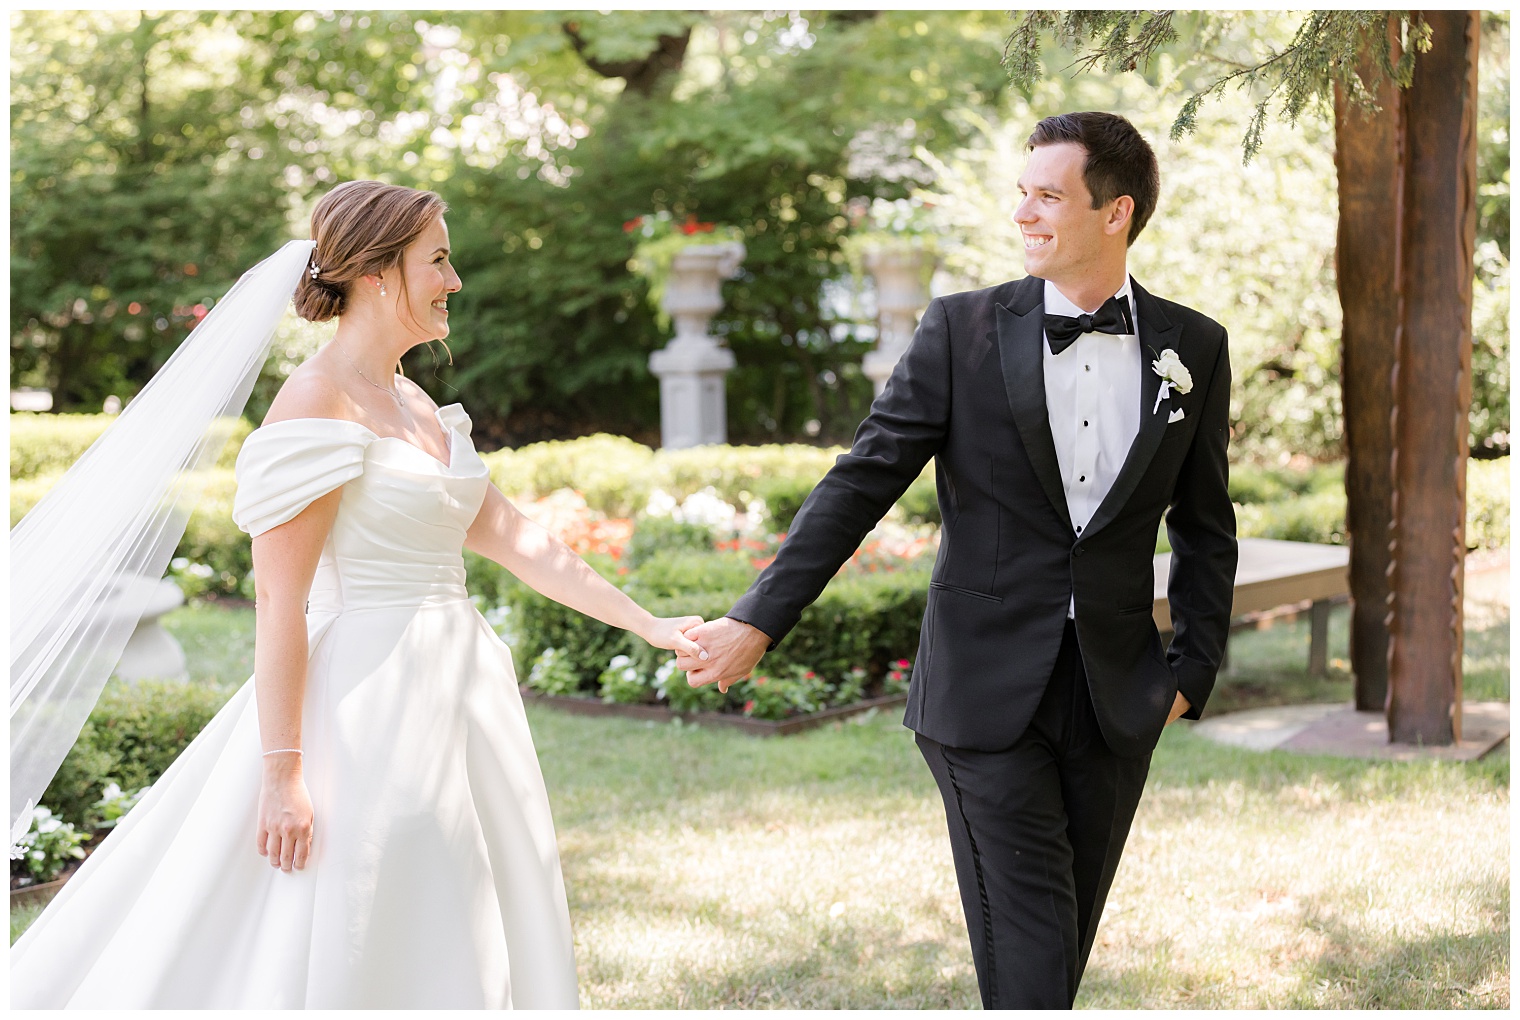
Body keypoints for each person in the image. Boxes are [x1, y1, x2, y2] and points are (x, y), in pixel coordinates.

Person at [11, 181, 706, 1008]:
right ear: (377, 274)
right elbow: (280, 601)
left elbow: (519, 541)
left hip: (463, 692)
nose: (455, 280)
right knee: (362, 902)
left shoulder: (417, 402)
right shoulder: (314, 400)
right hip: (364, 705)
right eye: (439, 260)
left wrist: (649, 624)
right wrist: (281, 774)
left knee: (473, 888)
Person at [679, 112, 1237, 1008]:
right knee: (1030, 946)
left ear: (1116, 212)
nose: (1023, 212)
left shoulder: (1192, 347)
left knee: (1060, 944)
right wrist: (756, 620)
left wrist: (1190, 669)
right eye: (1022, 193)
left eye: (1047, 194)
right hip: (982, 695)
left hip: (1116, 697)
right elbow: (860, 484)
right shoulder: (961, 330)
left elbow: (1208, 525)